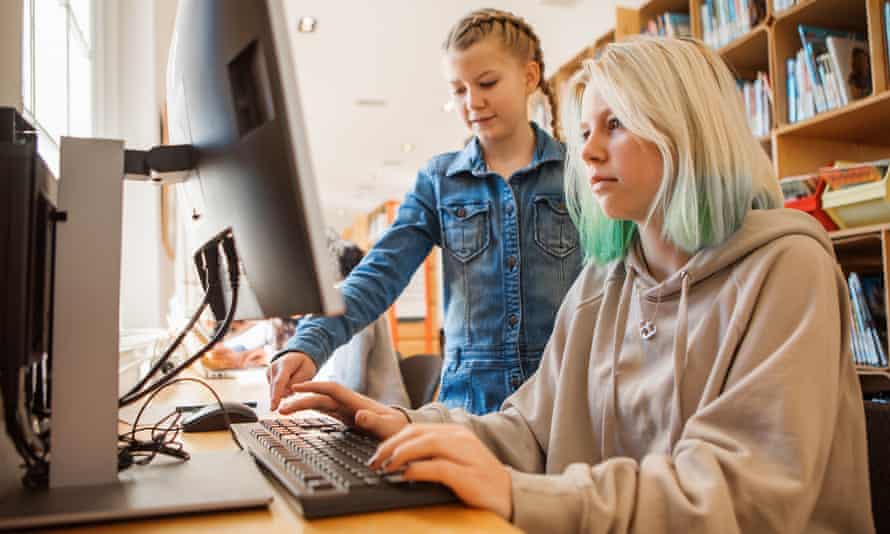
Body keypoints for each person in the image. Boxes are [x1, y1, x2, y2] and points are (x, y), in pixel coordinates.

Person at [275, 37, 874, 533]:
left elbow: (745, 494)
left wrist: (522, 495)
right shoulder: (605, 280)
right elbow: (531, 429)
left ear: (687, 131)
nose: (585, 152)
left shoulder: (787, 268)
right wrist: (412, 425)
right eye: (586, 128)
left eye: (615, 125)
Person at [268, 8, 583, 415]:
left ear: (529, 76)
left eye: (487, 82)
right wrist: (311, 341)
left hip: (561, 401)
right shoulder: (440, 180)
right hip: (469, 409)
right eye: (458, 90)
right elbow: (378, 273)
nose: (473, 102)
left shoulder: (578, 173)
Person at [313, 241, 411, 408]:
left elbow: (354, 384)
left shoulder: (352, 305)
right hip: (367, 407)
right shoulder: (350, 302)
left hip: (381, 411)